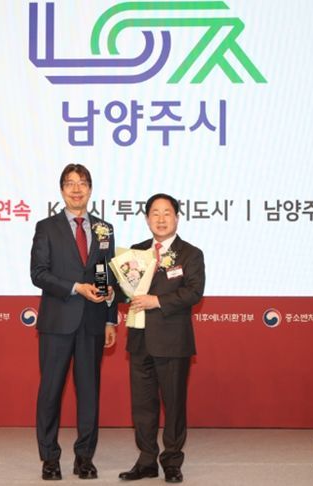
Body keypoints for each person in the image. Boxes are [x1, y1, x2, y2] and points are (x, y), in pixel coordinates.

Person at [30, 163, 117, 481]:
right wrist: (76, 287)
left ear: (90, 189)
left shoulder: (104, 228)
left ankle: (84, 457)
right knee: (50, 391)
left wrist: (110, 318)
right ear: (61, 189)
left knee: (89, 392)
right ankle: (49, 458)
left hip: (93, 321)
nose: (76, 189)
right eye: (70, 183)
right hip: (57, 322)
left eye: (82, 183)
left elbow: (106, 272)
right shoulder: (46, 227)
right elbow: (38, 274)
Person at [118, 193, 205, 484]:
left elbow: (194, 292)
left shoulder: (190, 254)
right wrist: (110, 287)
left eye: (167, 212)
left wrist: (157, 301)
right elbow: (125, 290)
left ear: (177, 218)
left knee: (174, 404)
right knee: (142, 405)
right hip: (139, 339)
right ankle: (146, 461)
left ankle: (172, 461)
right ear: (147, 219)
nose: (161, 218)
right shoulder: (136, 252)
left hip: (172, 341)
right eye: (155, 213)